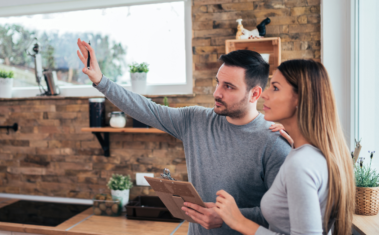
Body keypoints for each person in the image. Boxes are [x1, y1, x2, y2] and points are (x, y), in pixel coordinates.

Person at [76, 38, 291, 235]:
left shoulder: (274, 142)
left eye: (228, 87)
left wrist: (229, 217)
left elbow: (282, 215)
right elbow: (146, 109)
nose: (217, 92)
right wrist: (101, 81)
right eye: (218, 82)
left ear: (255, 94)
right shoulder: (195, 120)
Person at [213, 59, 356, 235]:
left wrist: (239, 221)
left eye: (275, 87)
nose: (264, 94)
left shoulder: (301, 164)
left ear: (299, 98)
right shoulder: (313, 154)